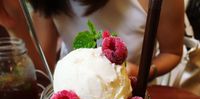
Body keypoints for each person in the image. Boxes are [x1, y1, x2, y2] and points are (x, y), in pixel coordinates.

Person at [0, 0, 185, 81]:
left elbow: (172, 52)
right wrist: (16, 25)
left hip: (137, 97)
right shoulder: (50, 3)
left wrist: (143, 72)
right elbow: (44, 71)